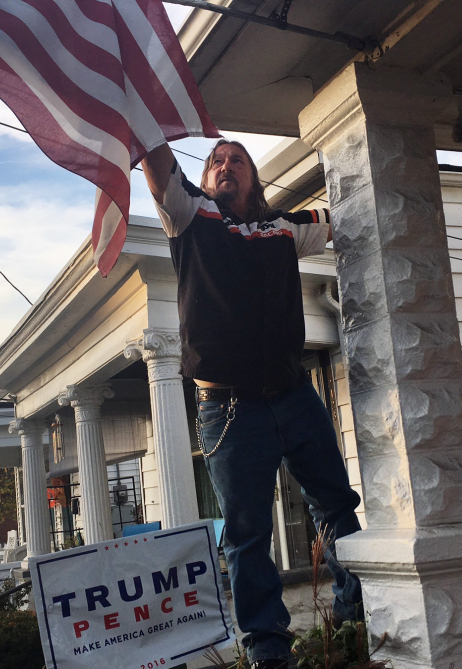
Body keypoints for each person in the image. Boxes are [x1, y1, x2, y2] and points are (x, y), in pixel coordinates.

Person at [141, 141, 363, 669]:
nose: (224, 165)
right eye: (215, 160)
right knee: (246, 536)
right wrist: (142, 107)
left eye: (236, 159)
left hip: (294, 395)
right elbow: (155, 158)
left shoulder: (286, 226)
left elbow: (352, 210)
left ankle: (358, 618)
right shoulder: (192, 214)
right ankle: (269, 654)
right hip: (229, 410)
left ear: (254, 178)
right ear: (204, 177)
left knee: (336, 507)